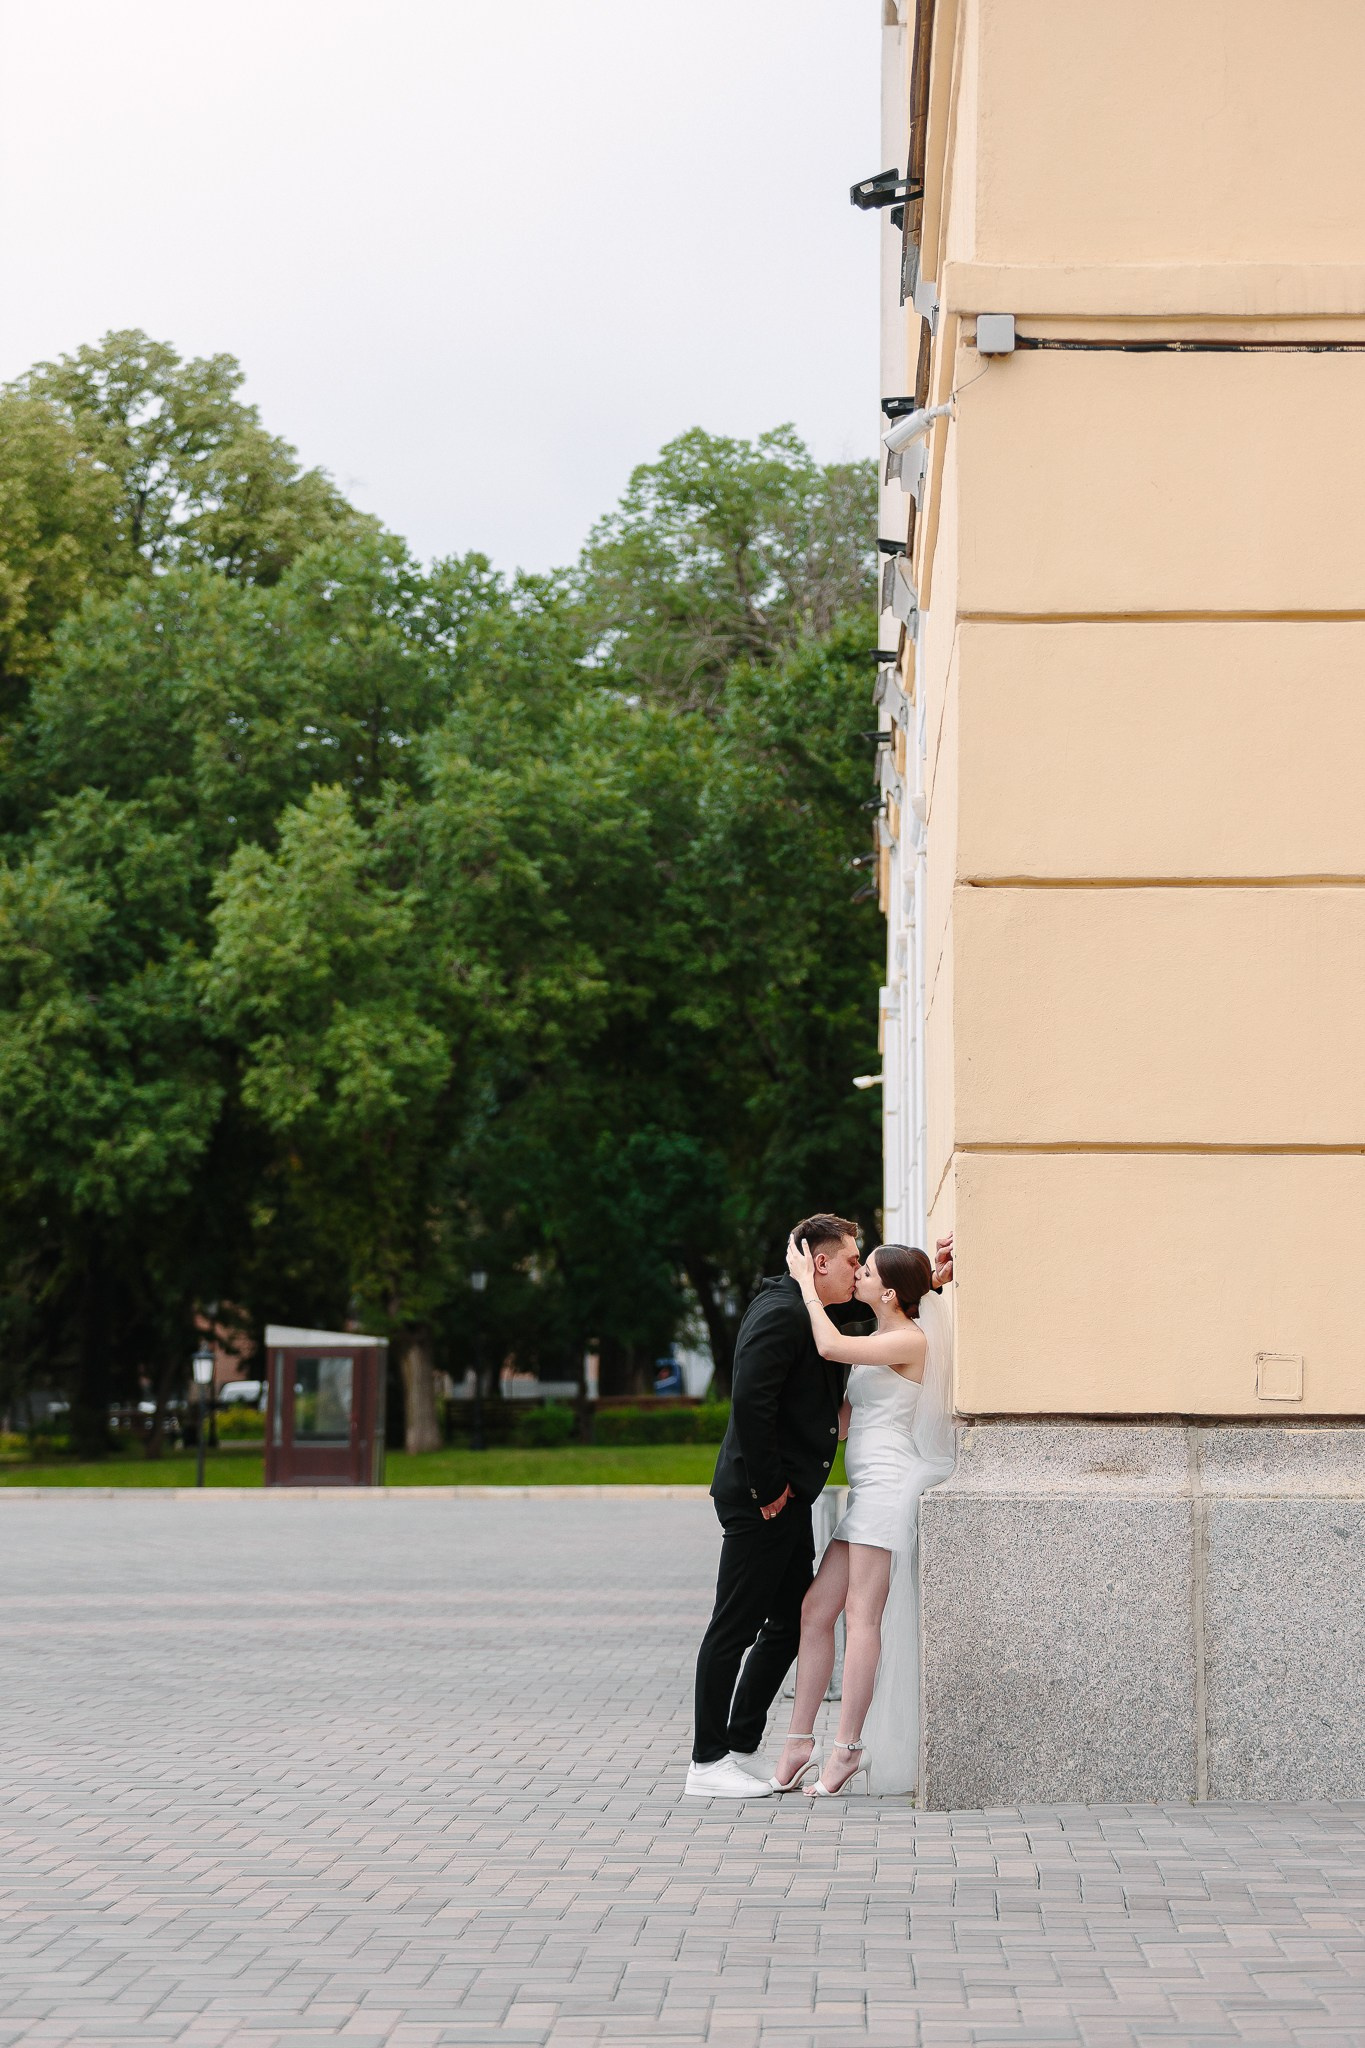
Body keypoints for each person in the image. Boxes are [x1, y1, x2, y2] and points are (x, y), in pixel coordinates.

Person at [684, 1214, 952, 1799]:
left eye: (867, 1267)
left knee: (814, 1617)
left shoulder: (870, 1329)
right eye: (854, 1261)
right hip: (769, 1498)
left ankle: (806, 1747)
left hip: (876, 1491)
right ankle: (713, 1760)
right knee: (764, 1621)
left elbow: (842, 1342)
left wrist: (930, 1282)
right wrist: (769, 1486)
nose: (857, 1272)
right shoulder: (788, 1311)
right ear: (820, 1261)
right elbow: (754, 1404)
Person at [769, 1233, 955, 1799]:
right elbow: (845, 1419)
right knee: (815, 1610)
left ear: (891, 1292)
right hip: (864, 1494)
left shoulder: (909, 1340)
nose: (858, 1278)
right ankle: (800, 1742)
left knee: (862, 1616)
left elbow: (827, 1346)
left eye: (867, 1271)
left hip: (888, 1490)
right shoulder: (884, 1333)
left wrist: (806, 1282)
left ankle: (846, 1747)